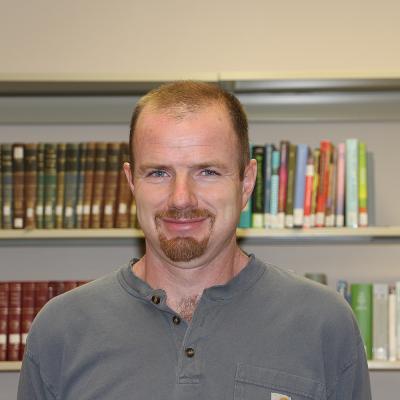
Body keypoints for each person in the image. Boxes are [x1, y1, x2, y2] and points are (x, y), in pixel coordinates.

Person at [18, 81, 371, 400]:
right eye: (158, 172)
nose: (181, 198)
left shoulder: (323, 322)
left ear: (246, 182)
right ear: (131, 183)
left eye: (207, 172)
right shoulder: (61, 330)